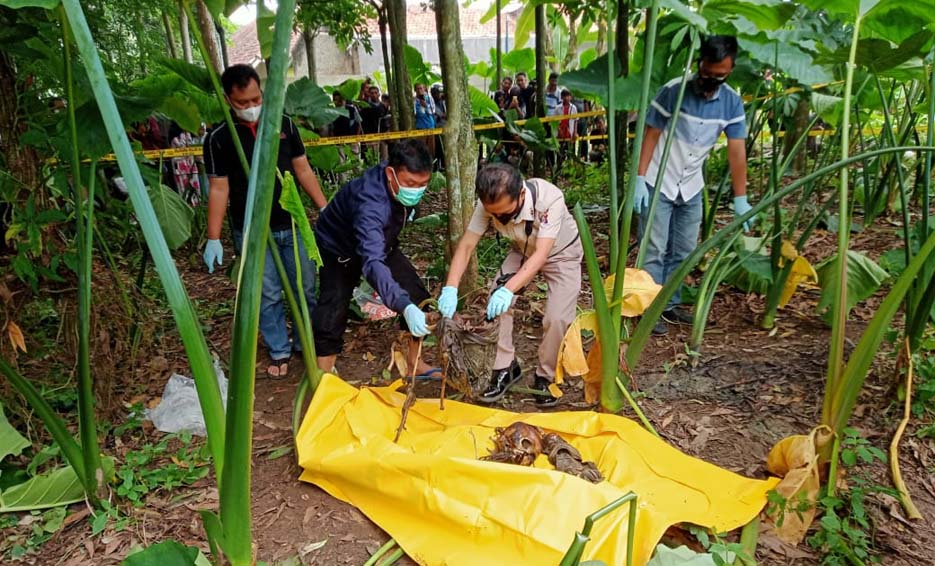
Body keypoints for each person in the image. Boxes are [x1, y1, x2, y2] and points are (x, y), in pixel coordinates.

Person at [202, 64, 328, 378]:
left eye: (255, 99)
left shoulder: (282, 124)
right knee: (267, 293)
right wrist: (213, 236)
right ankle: (279, 349)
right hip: (252, 230)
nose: (250, 108)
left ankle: (306, 342)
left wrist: (324, 209)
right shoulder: (219, 137)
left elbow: (303, 169)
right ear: (228, 99)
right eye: (242, 103)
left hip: (293, 222)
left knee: (304, 288)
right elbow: (219, 188)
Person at [634, 35, 753, 336]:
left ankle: (670, 303)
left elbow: (736, 151)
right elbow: (650, 135)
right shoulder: (674, 91)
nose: (711, 80)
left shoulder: (731, 103)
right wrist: (639, 178)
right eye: (707, 73)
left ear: (730, 69)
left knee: (685, 249)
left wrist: (742, 198)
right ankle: (647, 308)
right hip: (658, 179)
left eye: (719, 75)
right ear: (699, 63)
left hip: (690, 184)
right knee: (654, 248)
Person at [438, 164, 583, 407]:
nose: (498, 218)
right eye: (493, 214)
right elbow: (465, 247)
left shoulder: (549, 199)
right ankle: (505, 367)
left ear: (522, 195)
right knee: (496, 307)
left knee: (557, 318)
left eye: (504, 215)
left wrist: (508, 289)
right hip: (522, 251)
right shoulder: (488, 205)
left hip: (561, 254)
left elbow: (542, 254)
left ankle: (546, 377)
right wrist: (450, 288)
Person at [313, 139, 438, 376]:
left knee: (417, 296)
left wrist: (409, 303)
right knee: (333, 307)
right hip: (339, 248)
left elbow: (378, 252)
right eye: (411, 183)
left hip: (382, 244)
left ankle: (413, 364)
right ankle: (324, 377)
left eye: (423, 184)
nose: (417, 190)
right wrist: (402, 305)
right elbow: (372, 262)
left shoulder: (396, 180)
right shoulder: (370, 203)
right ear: (390, 174)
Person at [549, 89, 578, 169]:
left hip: (570, 132)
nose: (566, 98)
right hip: (560, 133)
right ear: (561, 97)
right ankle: (559, 167)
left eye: (568, 96)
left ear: (570, 97)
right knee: (560, 152)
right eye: (564, 96)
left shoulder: (573, 108)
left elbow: (576, 120)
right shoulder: (557, 108)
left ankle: (569, 168)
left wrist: (575, 132)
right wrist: (558, 130)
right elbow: (554, 121)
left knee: (570, 151)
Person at [413, 83, 437, 157]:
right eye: (418, 88)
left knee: (431, 149)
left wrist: (426, 106)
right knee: (420, 149)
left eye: (421, 88)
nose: (420, 90)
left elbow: (433, 111)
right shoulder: (414, 100)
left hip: (429, 126)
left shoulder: (429, 98)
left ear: (424, 89)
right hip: (420, 126)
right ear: (415, 90)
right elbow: (414, 113)